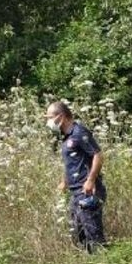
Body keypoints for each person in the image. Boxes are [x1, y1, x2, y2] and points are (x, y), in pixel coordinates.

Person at [45, 101, 107, 253]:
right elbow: (74, 163)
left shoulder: (79, 132)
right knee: (79, 234)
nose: (48, 121)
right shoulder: (66, 137)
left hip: (87, 191)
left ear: (62, 116)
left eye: (50, 117)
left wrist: (91, 180)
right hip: (75, 192)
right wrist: (64, 182)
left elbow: (97, 155)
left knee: (94, 235)